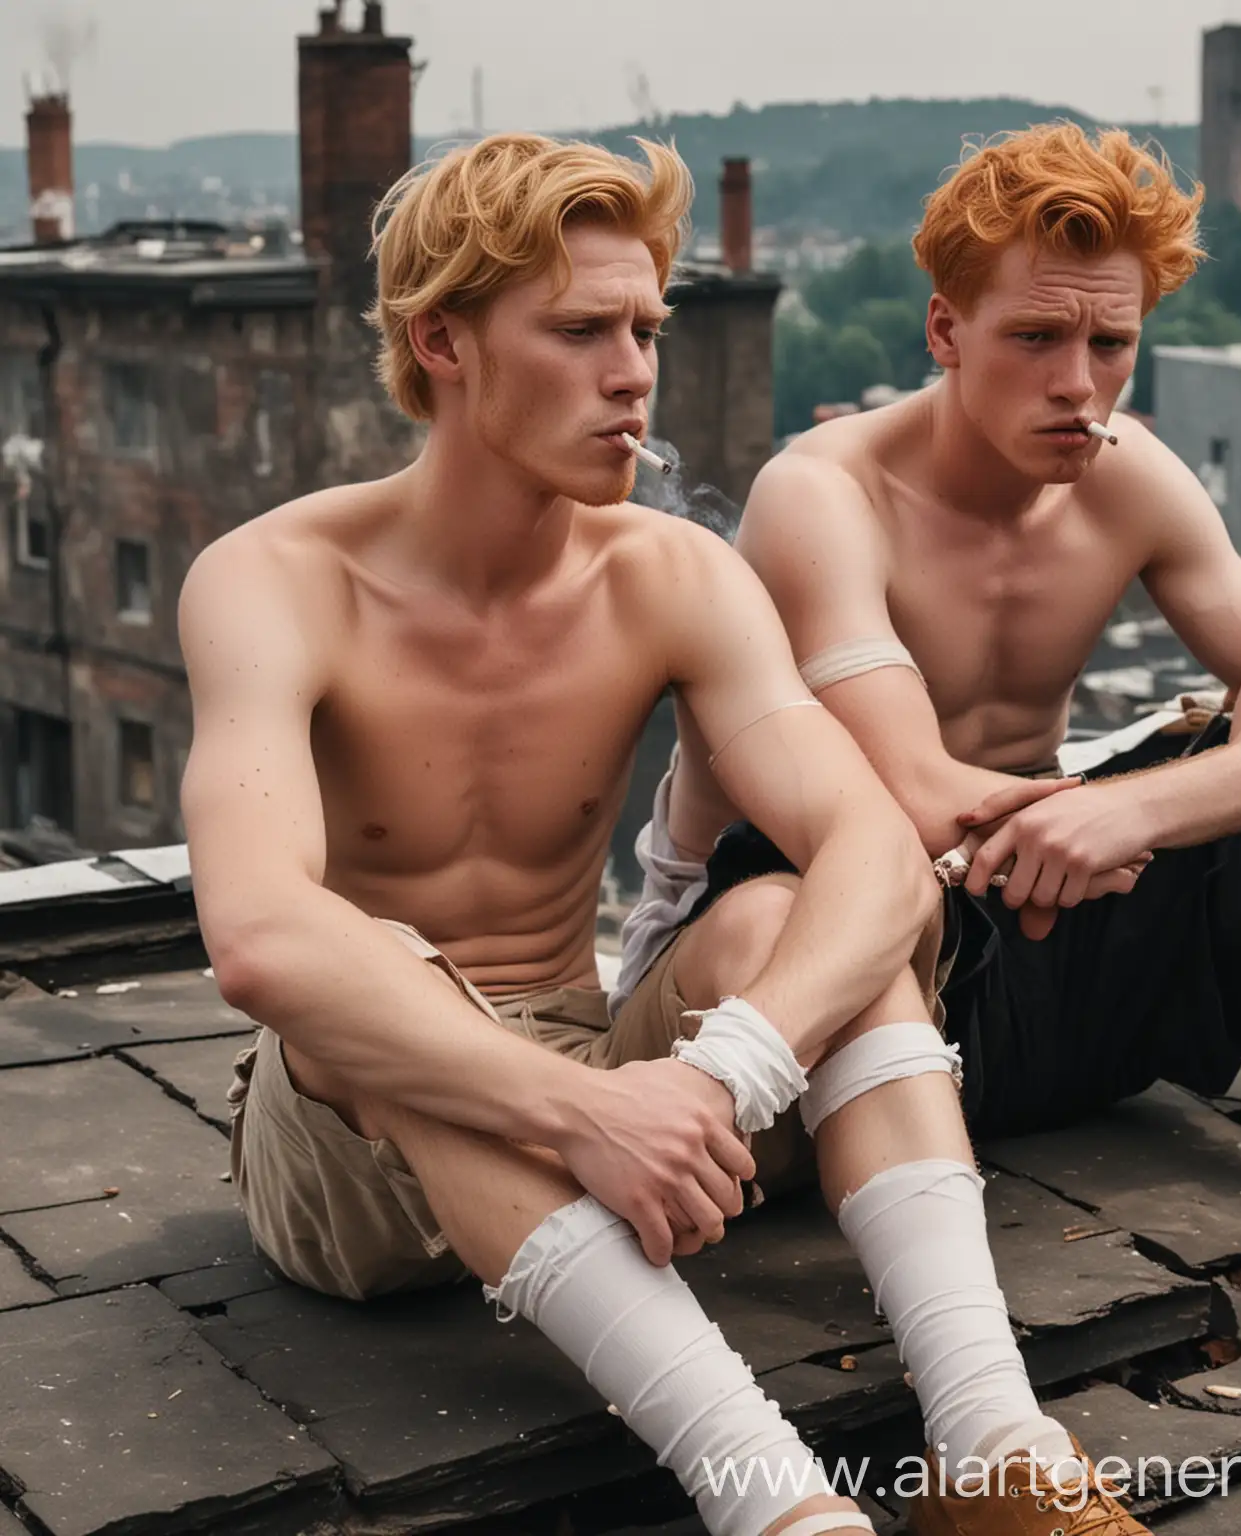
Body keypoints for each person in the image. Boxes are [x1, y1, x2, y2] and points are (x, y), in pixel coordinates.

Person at [181, 132, 1134, 1536]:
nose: (634, 373)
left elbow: (878, 850)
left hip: (625, 1101)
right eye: (579, 330)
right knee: (361, 966)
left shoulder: (673, 572)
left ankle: (994, 1444)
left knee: (806, 909)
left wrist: (713, 1081)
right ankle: (776, 1506)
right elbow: (260, 941)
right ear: (442, 340)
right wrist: (589, 1112)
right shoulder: (275, 581)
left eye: (645, 328)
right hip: (355, 1156)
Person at [620, 123, 1241, 1367]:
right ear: (945, 334)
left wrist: (1138, 808)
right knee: (876, 878)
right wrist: (1200, 782)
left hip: (1053, 932)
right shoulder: (826, 493)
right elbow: (916, 805)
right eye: (1036, 339)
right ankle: (981, 1407)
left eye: (1112, 343)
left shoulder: (1133, 479)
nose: (1078, 384)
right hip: (870, 975)